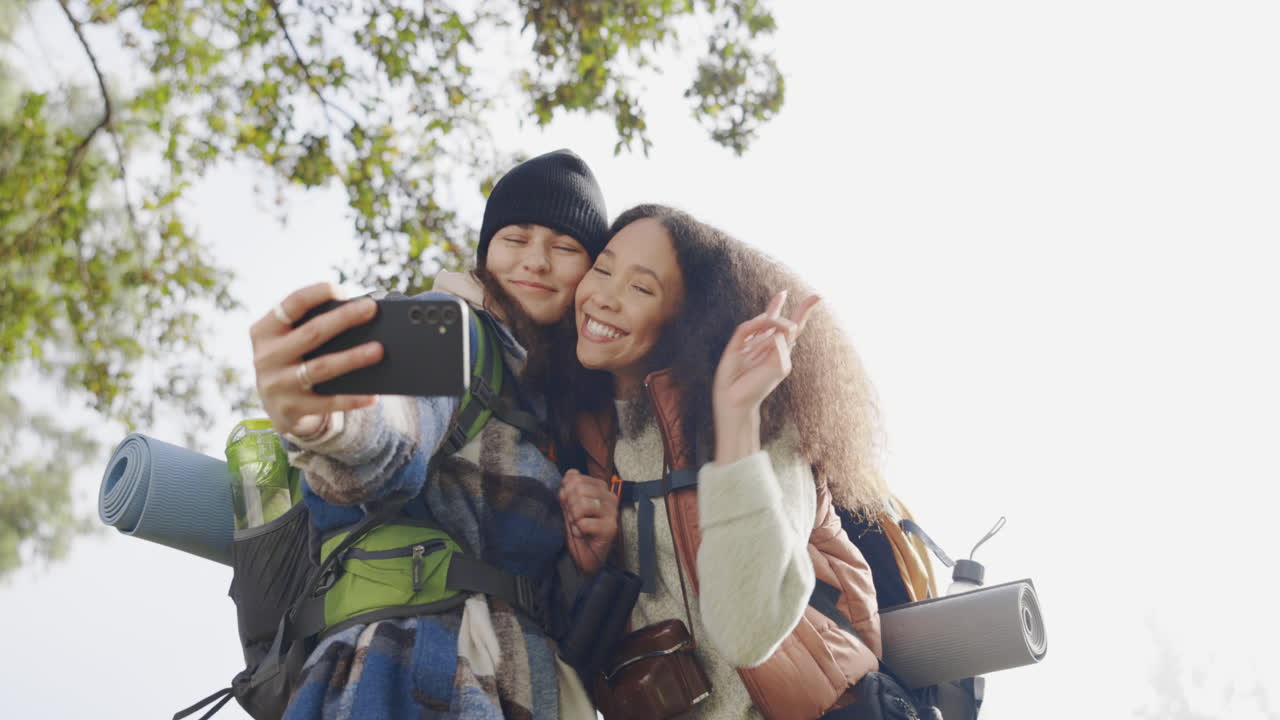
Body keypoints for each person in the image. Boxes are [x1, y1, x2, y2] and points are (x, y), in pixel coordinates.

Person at [248, 149, 615, 720]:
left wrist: (591, 558)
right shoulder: (447, 322)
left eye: (566, 248)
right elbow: (394, 425)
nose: (537, 261)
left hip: (526, 692)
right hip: (405, 674)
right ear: (487, 251)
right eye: (515, 238)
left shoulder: (568, 411)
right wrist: (326, 420)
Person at [558, 204, 890, 719]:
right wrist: (593, 566)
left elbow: (746, 633)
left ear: (685, 318)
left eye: (641, 288)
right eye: (602, 270)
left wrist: (736, 417)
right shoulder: (591, 442)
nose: (604, 296)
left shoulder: (764, 421)